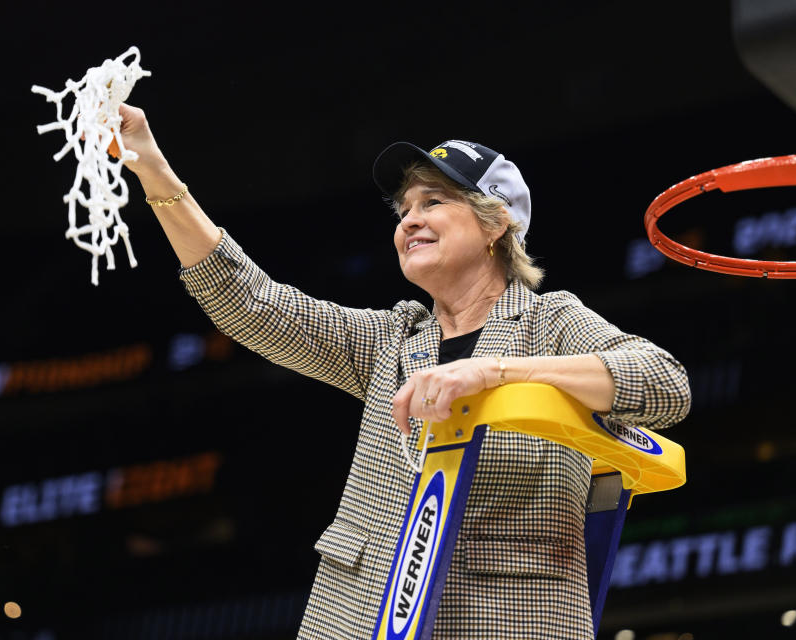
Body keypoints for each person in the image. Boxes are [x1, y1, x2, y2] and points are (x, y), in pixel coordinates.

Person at [117, 104, 691, 639]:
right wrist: (152, 168)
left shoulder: (550, 321)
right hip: (358, 618)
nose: (409, 220)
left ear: (497, 225)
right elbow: (251, 303)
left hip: (506, 620)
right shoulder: (390, 338)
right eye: (404, 210)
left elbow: (665, 382)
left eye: (434, 202)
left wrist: (495, 372)